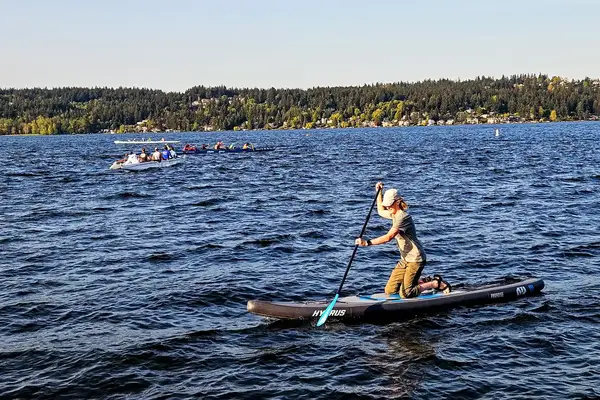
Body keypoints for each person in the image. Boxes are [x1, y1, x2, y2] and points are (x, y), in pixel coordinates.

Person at [355, 182, 451, 298]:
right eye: (386, 205)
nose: (387, 207)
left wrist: (367, 243)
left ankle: (435, 283)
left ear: (397, 202)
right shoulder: (394, 214)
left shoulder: (402, 217)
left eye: (389, 204)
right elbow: (380, 211)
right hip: (405, 259)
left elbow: (388, 237)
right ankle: (423, 280)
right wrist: (379, 192)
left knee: (406, 293)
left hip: (416, 259)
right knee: (390, 290)